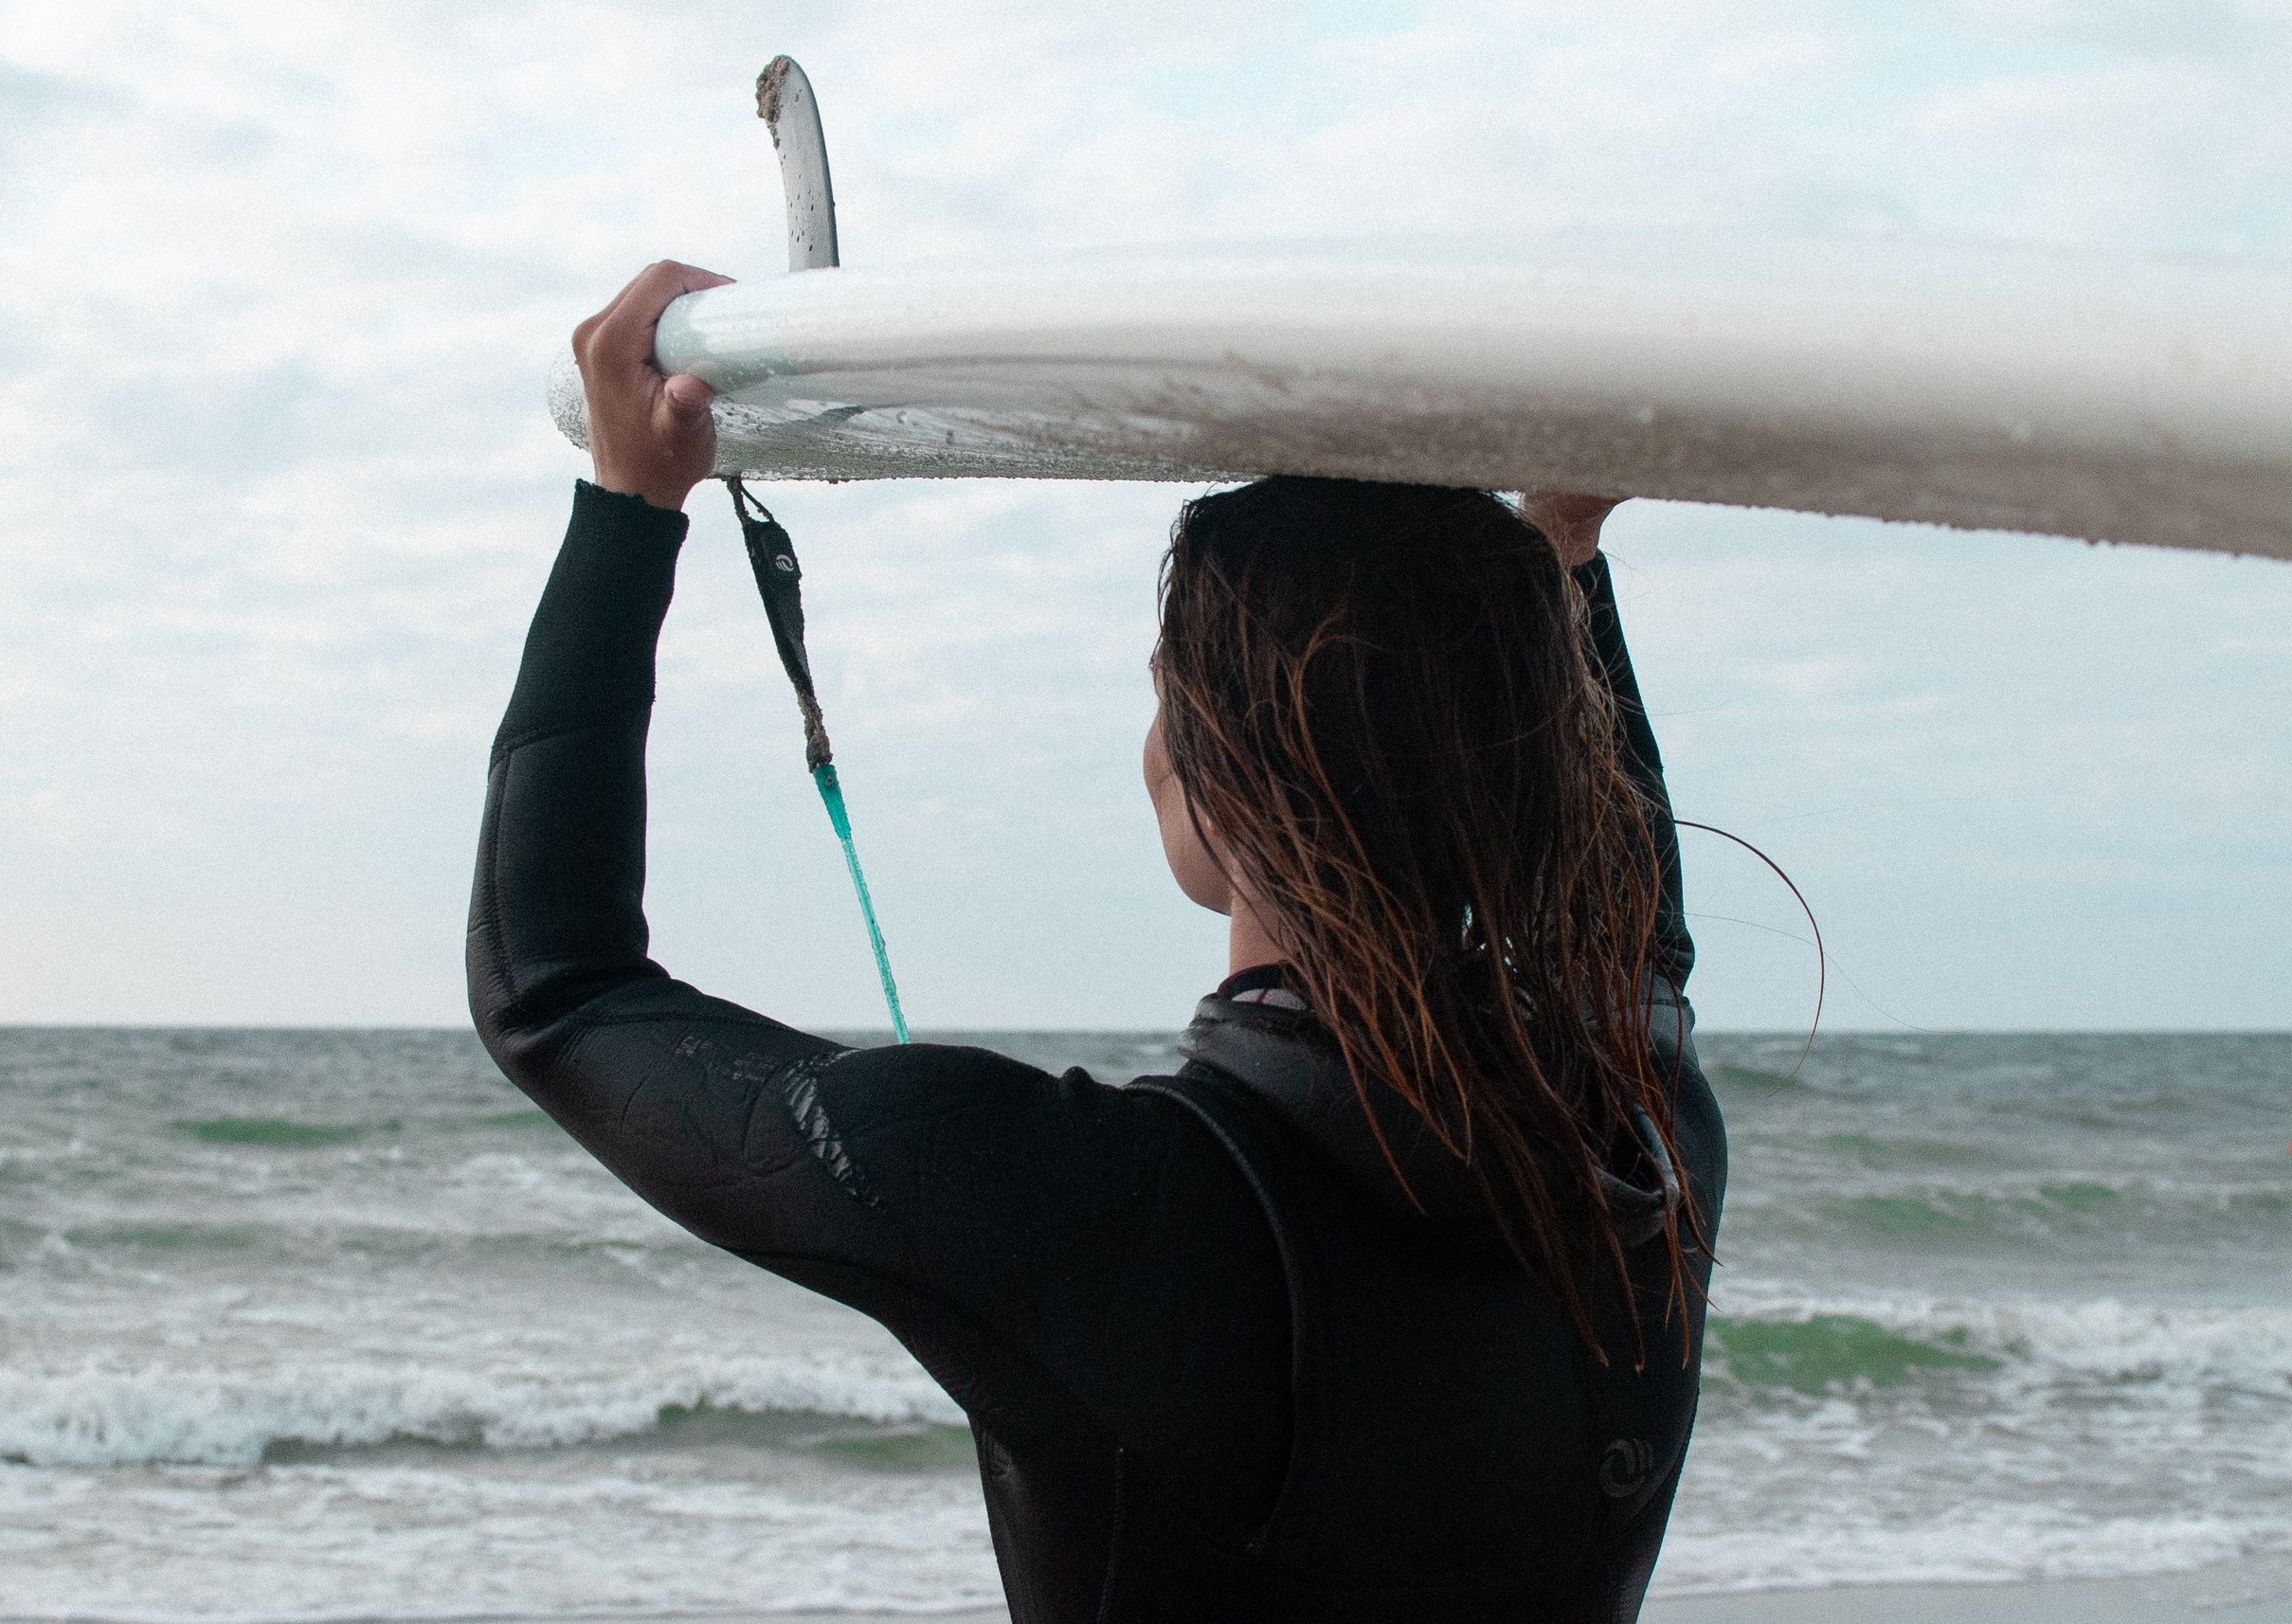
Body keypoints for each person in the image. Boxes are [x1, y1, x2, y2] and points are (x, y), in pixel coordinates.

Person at [468, 261, 1726, 1624]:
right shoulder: (1645, 1158)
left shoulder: (1077, 1212)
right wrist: (1565, 562)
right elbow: (1636, 943)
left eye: (1162, 697)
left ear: (1220, 775)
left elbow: (555, 990)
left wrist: (624, 511)